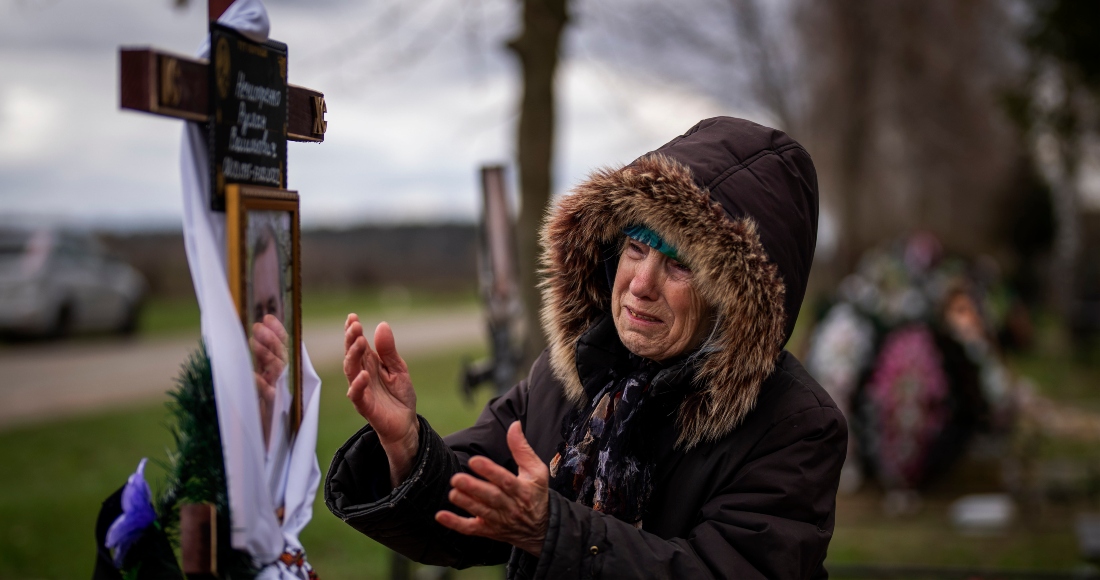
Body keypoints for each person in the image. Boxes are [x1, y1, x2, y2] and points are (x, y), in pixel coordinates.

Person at [325, 117, 847, 579]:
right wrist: (406, 446)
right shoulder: (573, 373)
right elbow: (472, 502)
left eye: (678, 264)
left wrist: (552, 531)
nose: (641, 284)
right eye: (636, 248)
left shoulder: (795, 425)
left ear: (733, 298)